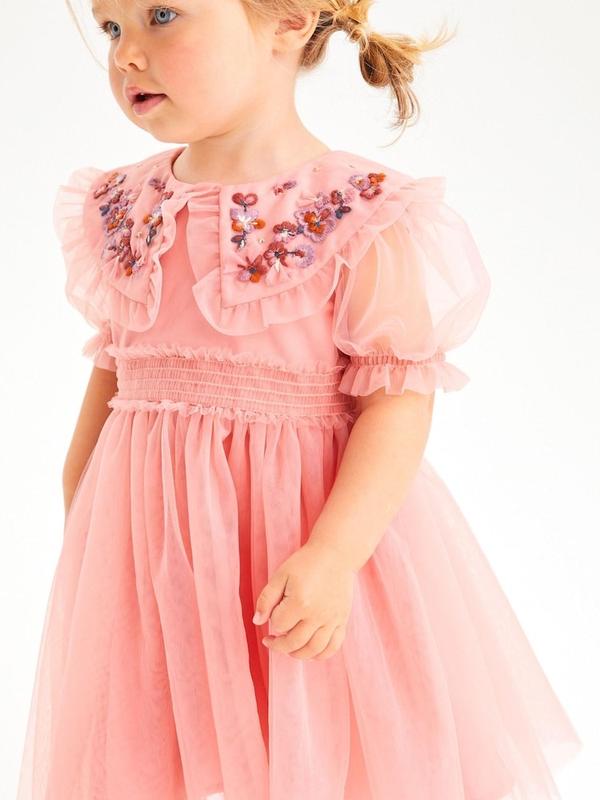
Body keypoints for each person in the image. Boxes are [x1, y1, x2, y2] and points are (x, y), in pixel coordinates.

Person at [16, 1, 582, 798]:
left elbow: (397, 397)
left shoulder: (355, 212)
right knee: (153, 749)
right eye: (112, 28)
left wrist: (335, 555)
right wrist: (84, 505)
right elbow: (114, 369)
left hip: (301, 549)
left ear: (285, 19)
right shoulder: (124, 208)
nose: (127, 54)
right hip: (157, 556)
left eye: (162, 15)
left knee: (316, 741)